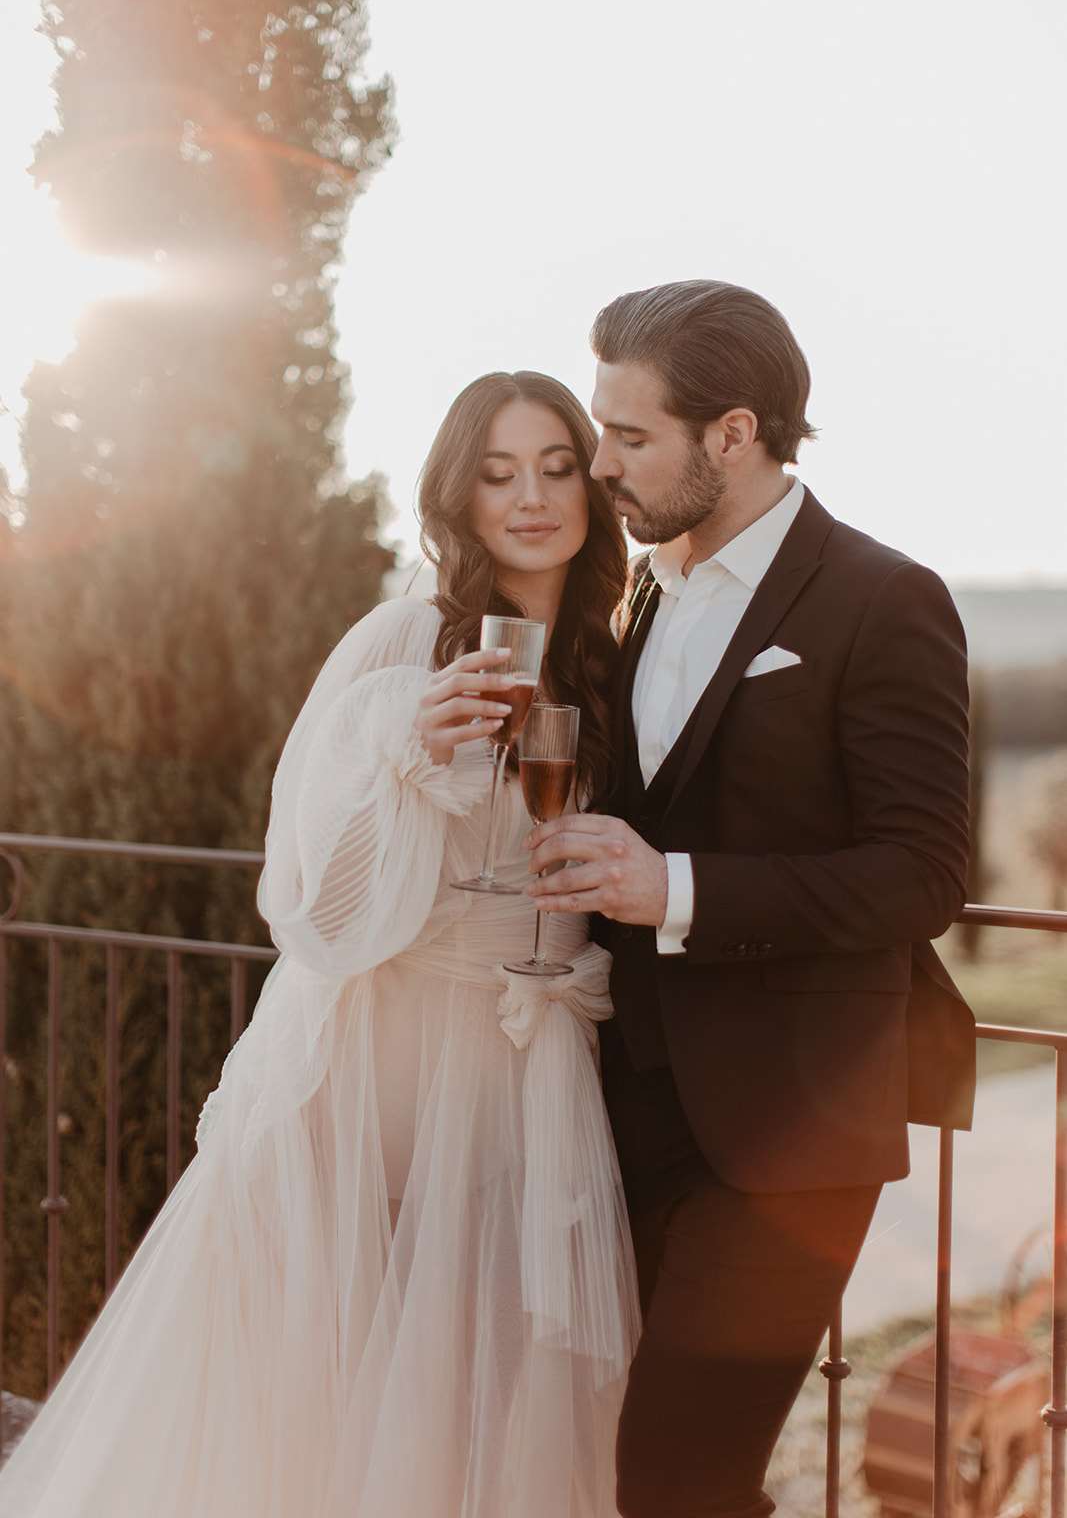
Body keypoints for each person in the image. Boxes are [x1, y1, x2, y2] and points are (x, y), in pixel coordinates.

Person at [0, 371, 638, 1518]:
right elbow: (310, 896)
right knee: (325, 1365)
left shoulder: (610, 651)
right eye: (496, 474)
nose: (530, 497)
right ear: (460, 494)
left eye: (554, 466)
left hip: (523, 1061)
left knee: (471, 1384)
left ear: (589, 481)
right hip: (378, 1054)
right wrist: (403, 745)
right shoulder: (407, 637)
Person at [527, 281, 975, 1518]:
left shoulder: (882, 599)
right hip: (617, 1104)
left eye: (630, 437)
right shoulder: (633, 592)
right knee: (624, 1459)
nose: (599, 465)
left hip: (789, 1129)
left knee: (676, 1476)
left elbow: (921, 871)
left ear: (731, 433)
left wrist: (666, 886)